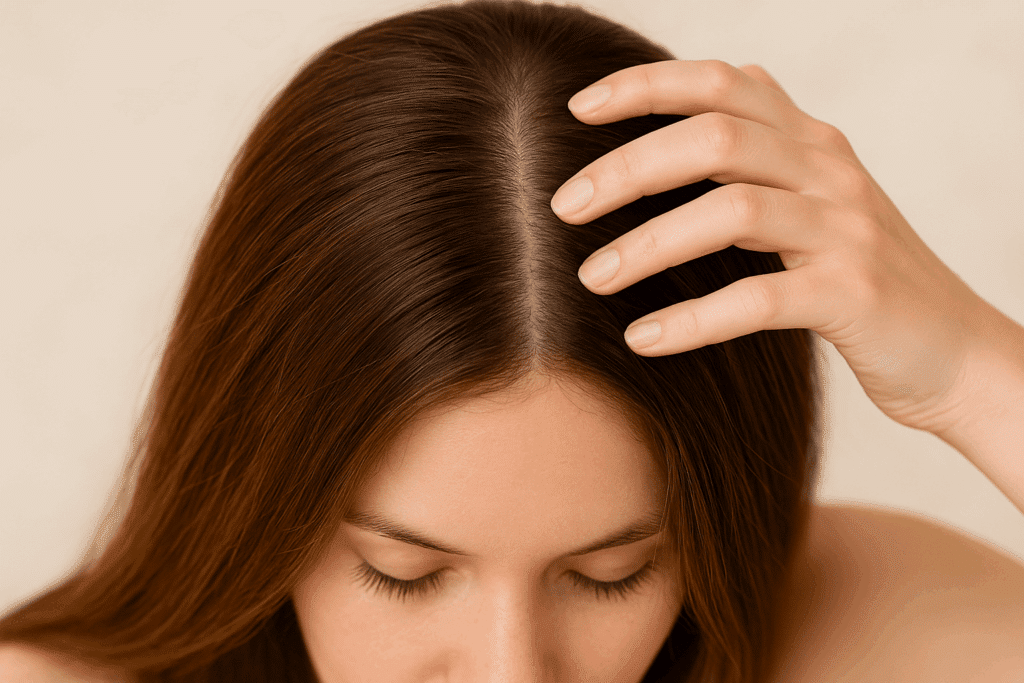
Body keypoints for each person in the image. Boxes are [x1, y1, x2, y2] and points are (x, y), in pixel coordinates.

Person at [2, 0, 1023, 681]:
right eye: (402, 569)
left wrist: (974, 372)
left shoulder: (856, 614)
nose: (510, 670)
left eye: (610, 571)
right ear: (251, 499)